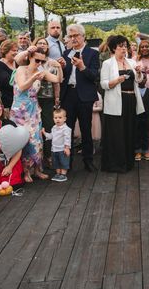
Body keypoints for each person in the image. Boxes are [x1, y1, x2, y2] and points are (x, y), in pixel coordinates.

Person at [11, 47, 62, 182]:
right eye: (37, 60)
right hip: (20, 110)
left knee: (37, 139)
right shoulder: (21, 69)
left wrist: (59, 67)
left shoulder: (42, 71)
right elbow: (21, 87)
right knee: (24, 140)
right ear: (30, 58)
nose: (39, 63)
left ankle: (37, 169)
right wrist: (34, 77)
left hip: (34, 109)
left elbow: (57, 79)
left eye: (42, 61)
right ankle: (25, 172)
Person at [100, 35, 145, 173]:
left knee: (129, 130)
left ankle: (128, 161)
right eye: (120, 46)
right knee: (117, 132)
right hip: (115, 102)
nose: (124, 48)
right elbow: (103, 84)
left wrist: (138, 72)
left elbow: (139, 80)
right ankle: (116, 164)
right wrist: (116, 81)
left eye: (125, 46)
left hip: (131, 100)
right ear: (114, 48)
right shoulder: (108, 63)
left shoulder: (131, 62)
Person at [60, 24, 100, 173]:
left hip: (84, 96)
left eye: (76, 35)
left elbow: (95, 76)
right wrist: (61, 67)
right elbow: (62, 77)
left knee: (86, 129)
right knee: (67, 130)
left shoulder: (92, 54)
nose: (73, 39)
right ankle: (67, 162)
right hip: (68, 95)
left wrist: (83, 67)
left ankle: (88, 160)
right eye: (70, 36)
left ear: (83, 36)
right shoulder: (66, 53)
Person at [42, 108, 72, 182]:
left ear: (64, 119)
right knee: (56, 162)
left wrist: (67, 147)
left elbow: (67, 138)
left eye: (60, 118)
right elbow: (52, 136)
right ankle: (58, 174)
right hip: (54, 149)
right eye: (55, 118)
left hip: (62, 149)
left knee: (63, 162)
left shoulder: (66, 129)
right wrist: (44, 133)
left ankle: (63, 175)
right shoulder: (54, 128)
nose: (57, 119)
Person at [0, 39, 18, 116]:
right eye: (13, 50)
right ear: (5, 51)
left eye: (17, 50)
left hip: (18, 101)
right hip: (6, 103)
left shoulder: (17, 63)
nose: (16, 52)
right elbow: (8, 83)